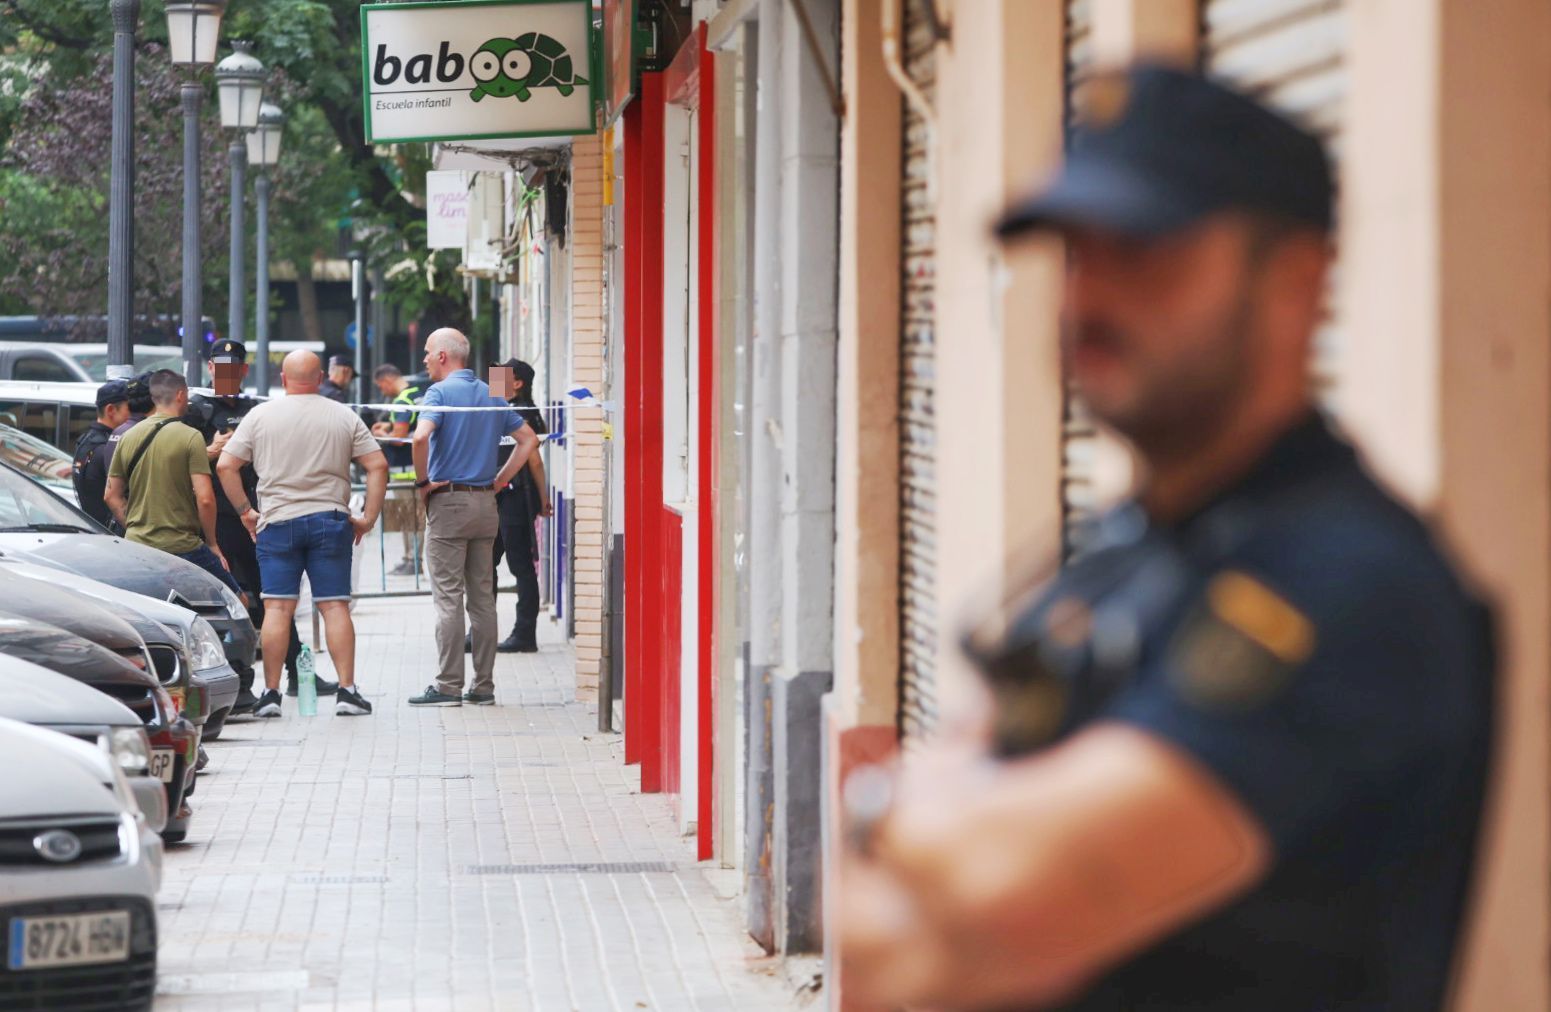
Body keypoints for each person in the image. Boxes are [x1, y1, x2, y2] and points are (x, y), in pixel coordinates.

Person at [838, 65, 1496, 1011]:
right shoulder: (1119, 549)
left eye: (1144, 251)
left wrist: (885, 813)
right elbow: (872, 956)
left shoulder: (1349, 582)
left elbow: (1001, 893)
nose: (1088, 298)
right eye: (1074, 252)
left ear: (1297, 281)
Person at [218, 350, 388, 719]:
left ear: (283, 378)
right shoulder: (342, 414)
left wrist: (246, 512)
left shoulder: (259, 416)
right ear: (321, 376)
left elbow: (226, 464)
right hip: (330, 521)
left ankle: (270, 694)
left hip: (277, 523)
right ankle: (347, 691)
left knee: (278, 608)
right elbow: (378, 465)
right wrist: (367, 518)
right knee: (334, 606)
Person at [189, 339, 332, 707]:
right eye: (219, 367)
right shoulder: (197, 411)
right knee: (230, 602)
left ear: (243, 371)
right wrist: (211, 450)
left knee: (276, 598)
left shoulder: (258, 409)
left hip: (257, 515)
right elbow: (185, 465)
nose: (225, 374)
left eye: (232, 368)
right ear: (209, 369)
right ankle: (238, 685)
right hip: (219, 520)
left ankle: (299, 674)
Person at [406, 329, 538, 707]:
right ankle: (483, 687)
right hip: (486, 505)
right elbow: (529, 440)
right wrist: (499, 481)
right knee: (482, 600)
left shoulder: (439, 393)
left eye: (429, 353)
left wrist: (422, 483)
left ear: (445, 356)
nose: (425, 360)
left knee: (448, 599)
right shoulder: (492, 391)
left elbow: (420, 438)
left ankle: (448, 686)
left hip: (449, 504)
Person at [103, 370, 246, 600]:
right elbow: (205, 498)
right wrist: (211, 544)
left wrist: (136, 526)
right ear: (180, 395)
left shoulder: (128, 436)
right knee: (236, 599)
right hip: (182, 545)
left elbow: (111, 495)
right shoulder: (190, 437)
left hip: (138, 544)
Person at [488, 358, 552, 652]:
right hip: (495, 499)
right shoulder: (499, 409)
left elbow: (535, 461)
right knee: (485, 565)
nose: (494, 379)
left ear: (517, 383)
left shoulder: (524, 413)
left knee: (520, 566)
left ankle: (524, 633)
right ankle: (481, 631)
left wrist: (544, 499)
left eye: (503, 375)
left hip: (515, 498)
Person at [371, 364, 424, 576]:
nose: (382, 391)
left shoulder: (402, 401)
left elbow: (400, 438)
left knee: (411, 517)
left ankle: (413, 560)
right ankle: (410, 558)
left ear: (387, 380)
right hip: (414, 467)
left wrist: (378, 435)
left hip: (406, 470)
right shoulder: (415, 394)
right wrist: (387, 428)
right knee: (410, 517)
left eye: (380, 386)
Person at [72, 379, 130, 531]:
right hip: (114, 536)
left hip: (95, 531)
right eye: (130, 408)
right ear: (111, 410)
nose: (133, 416)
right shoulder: (107, 448)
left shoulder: (84, 441)